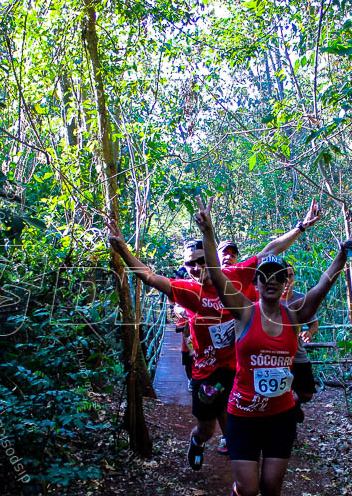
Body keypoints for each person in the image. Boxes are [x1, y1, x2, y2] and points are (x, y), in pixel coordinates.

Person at [193, 197, 352, 496]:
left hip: (280, 414)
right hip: (244, 414)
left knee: (271, 487)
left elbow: (322, 288)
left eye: (277, 277)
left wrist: (341, 257)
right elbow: (217, 277)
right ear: (257, 282)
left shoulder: (294, 312)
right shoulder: (243, 310)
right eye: (263, 276)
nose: (269, 282)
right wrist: (208, 233)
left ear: (284, 284)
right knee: (249, 488)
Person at [104, 201, 321, 471]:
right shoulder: (188, 291)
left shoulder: (235, 276)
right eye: (189, 264)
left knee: (237, 430)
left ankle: (245, 485)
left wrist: (300, 227)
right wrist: (123, 250)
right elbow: (149, 277)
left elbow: (270, 250)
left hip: (238, 367)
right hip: (207, 371)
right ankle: (197, 441)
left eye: (200, 261)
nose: (195, 268)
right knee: (205, 430)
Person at [282, 265, 320, 422]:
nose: (287, 280)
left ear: (294, 278)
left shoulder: (300, 299)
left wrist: (309, 333)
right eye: (283, 276)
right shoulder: (269, 299)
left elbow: (314, 323)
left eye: (290, 275)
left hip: (298, 354)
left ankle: (292, 405)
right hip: (276, 358)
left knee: (306, 394)